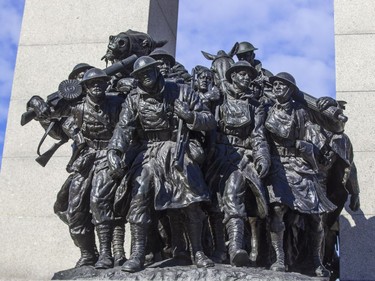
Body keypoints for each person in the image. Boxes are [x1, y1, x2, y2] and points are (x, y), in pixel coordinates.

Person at [107, 56, 216, 272]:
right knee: (139, 194)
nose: (145, 77)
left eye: (148, 71)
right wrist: (114, 150)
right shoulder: (133, 98)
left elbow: (209, 119)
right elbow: (124, 127)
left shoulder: (182, 91)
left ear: (157, 71)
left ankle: (198, 251)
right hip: (148, 151)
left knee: (191, 195)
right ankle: (137, 254)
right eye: (140, 74)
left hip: (178, 147)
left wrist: (190, 115)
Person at [28, 68, 126, 269]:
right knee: (71, 208)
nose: (97, 86)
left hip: (109, 155)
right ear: (85, 87)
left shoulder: (117, 102)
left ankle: (106, 254)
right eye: (92, 83)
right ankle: (88, 254)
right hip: (85, 161)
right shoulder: (75, 108)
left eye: (101, 82)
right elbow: (53, 124)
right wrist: (35, 102)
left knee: (99, 201)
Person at [264, 72, 336, 277]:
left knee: (316, 217)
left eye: (282, 85)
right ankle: (279, 259)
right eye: (275, 84)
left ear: (291, 90)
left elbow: (331, 127)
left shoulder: (302, 111)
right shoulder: (266, 108)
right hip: (278, 165)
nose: (277, 87)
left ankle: (317, 262)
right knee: (277, 209)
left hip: (301, 165)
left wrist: (329, 105)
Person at [205, 60, 270, 267]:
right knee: (214, 203)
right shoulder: (218, 97)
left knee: (233, 195)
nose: (247, 78)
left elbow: (258, 135)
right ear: (232, 76)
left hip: (240, 157)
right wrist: (206, 99)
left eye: (249, 76)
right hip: (215, 155)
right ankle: (218, 250)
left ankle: (235, 248)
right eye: (242, 74)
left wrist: (262, 157)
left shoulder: (255, 105)